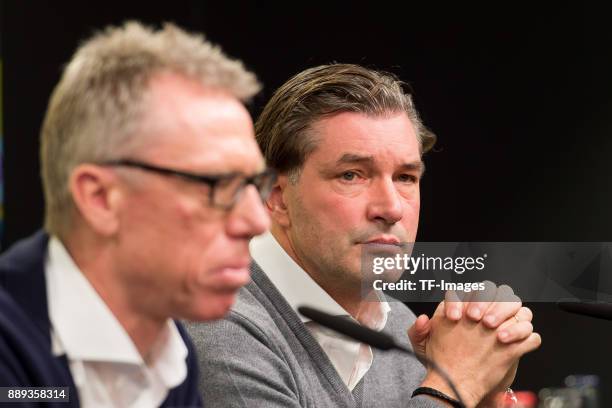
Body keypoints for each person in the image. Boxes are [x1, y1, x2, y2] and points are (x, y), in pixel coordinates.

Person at [186, 64, 541, 407]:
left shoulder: (401, 324)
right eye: (352, 175)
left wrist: (485, 393)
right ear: (276, 197)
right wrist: (453, 383)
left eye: (405, 178)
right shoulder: (218, 326)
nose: (391, 208)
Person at [0, 21, 273, 407]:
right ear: (100, 199)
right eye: (216, 183)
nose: (257, 222)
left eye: (252, 183)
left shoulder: (171, 351)